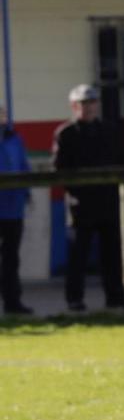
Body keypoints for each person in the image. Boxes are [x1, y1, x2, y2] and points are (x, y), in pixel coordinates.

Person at [51, 83, 124, 313]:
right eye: (84, 103)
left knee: (112, 255)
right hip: (80, 205)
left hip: (108, 202)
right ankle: (74, 300)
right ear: (74, 106)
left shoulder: (109, 130)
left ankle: (115, 298)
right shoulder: (66, 133)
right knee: (78, 257)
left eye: (92, 102)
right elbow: (59, 169)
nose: (89, 107)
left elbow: (122, 161)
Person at [0, 104, 31, 315]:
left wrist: (25, 193)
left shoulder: (14, 139)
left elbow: (23, 166)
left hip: (13, 208)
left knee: (11, 258)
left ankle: (13, 302)